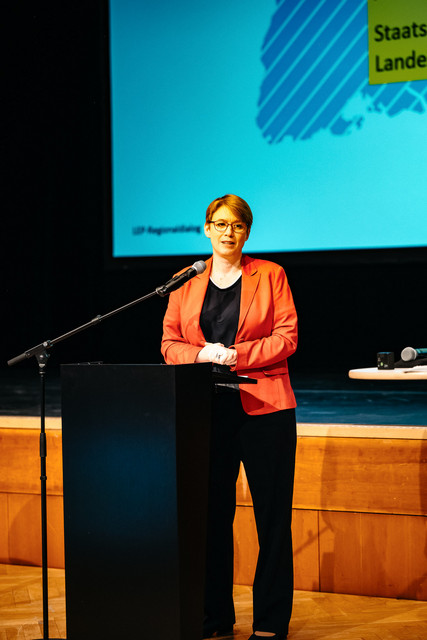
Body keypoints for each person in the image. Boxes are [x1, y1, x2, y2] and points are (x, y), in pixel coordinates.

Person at [161, 194, 298, 640]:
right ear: (206, 229)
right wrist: (202, 353)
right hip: (207, 412)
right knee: (209, 518)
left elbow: (286, 337)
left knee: (272, 520)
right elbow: (169, 344)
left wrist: (237, 355)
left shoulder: (271, 275)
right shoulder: (185, 282)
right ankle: (214, 618)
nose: (228, 232)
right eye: (219, 224)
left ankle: (270, 623)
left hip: (265, 411)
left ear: (247, 232)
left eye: (237, 226)